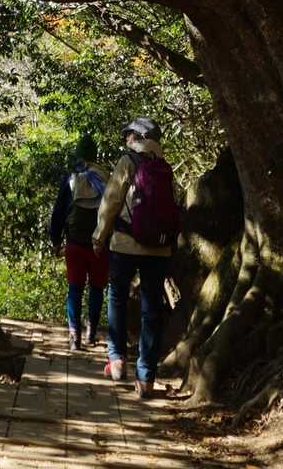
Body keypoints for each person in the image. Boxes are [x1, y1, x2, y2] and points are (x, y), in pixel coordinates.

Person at [92, 116, 179, 399]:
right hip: (159, 249)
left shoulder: (128, 162)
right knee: (151, 309)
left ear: (138, 137)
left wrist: (99, 237)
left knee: (117, 297)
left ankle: (117, 360)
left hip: (125, 245)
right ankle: (146, 378)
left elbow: (111, 201)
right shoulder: (164, 166)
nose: (126, 138)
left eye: (129, 134)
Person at [49, 132, 109, 351]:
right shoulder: (106, 178)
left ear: (78, 155)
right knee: (96, 289)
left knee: (75, 288)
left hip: (74, 243)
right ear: (95, 155)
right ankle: (90, 333)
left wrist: (55, 239)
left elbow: (58, 212)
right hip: (99, 245)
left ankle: (74, 336)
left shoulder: (71, 179)